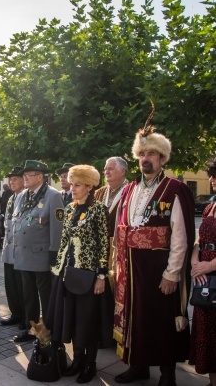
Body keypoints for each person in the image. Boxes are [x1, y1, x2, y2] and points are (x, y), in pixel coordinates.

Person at [113, 120, 195, 386]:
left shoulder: (175, 189)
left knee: (161, 321)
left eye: (151, 154)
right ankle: (138, 365)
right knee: (135, 320)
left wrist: (172, 274)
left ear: (162, 158)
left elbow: (180, 235)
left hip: (158, 269)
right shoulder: (129, 189)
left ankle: (168, 373)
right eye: (142, 154)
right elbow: (120, 229)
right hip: (131, 270)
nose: (145, 159)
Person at [45, 164, 112, 384]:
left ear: (90, 186)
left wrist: (101, 275)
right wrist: (58, 269)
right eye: (72, 184)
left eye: (78, 185)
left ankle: (90, 364)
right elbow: (64, 240)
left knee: (87, 320)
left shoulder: (99, 209)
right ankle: (78, 360)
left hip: (88, 274)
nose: (72, 188)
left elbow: (104, 244)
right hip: (68, 272)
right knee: (72, 318)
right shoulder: (70, 208)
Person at [12, 160, 64, 342]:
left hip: (41, 256)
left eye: (29, 175)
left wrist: (54, 255)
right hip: (23, 256)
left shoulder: (53, 195)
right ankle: (31, 328)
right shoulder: (21, 196)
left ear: (40, 177)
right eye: (24, 175)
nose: (24, 178)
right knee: (29, 297)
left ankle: (48, 331)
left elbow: (57, 228)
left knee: (46, 297)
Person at [189, 157, 216, 386]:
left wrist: (209, 265)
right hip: (204, 277)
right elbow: (199, 239)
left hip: (212, 270)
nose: (212, 179)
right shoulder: (210, 206)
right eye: (212, 174)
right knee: (207, 336)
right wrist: (195, 259)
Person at [95, 157, 129, 291]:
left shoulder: (131, 191)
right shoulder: (99, 192)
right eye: (105, 169)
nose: (106, 171)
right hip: (99, 249)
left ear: (122, 171)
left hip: (119, 248)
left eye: (110, 168)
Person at [0, 166, 25, 327]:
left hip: (21, 248)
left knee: (22, 286)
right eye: (10, 179)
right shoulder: (11, 198)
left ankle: (26, 316)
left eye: (15, 178)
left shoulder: (27, 197)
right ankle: (15, 313)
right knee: (10, 284)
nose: (12, 181)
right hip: (9, 247)